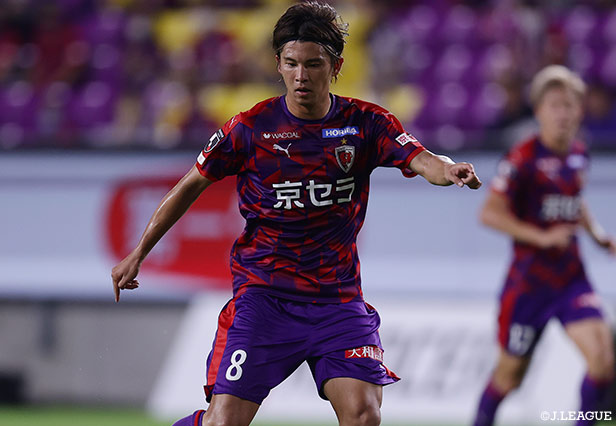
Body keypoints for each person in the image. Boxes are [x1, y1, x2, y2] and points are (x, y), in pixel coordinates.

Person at [111, 2, 482, 426]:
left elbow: (422, 158)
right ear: (278, 64)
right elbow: (191, 184)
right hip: (265, 297)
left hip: (336, 301)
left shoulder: (366, 123)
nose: (301, 75)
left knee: (364, 415)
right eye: (291, 64)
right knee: (224, 422)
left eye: (313, 64)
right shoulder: (250, 128)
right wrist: (139, 251)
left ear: (336, 66)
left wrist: (448, 170)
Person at [472, 65, 615, 426]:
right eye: (555, 106)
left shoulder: (579, 154)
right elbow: (489, 213)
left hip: (571, 278)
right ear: (539, 111)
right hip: (529, 285)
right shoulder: (522, 158)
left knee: (603, 361)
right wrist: (543, 237)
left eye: (569, 106)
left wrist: (599, 236)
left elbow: (574, 201)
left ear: (579, 111)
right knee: (509, 379)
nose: (562, 114)